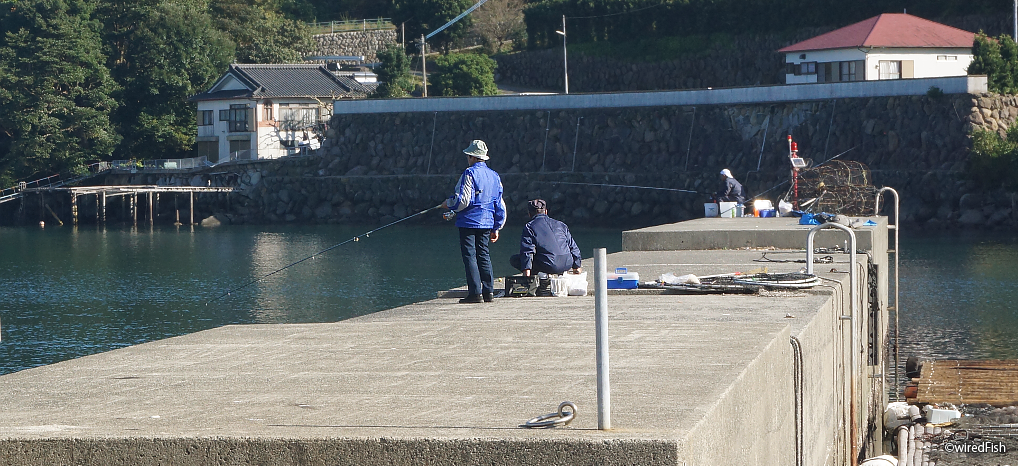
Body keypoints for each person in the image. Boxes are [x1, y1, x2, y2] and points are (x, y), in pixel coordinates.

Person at [445, 140, 506, 304]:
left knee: (470, 256)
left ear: (472, 157)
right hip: (487, 221)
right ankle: (489, 291)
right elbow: (500, 204)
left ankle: (475, 293)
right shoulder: (495, 176)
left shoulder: (469, 173)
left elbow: (463, 200)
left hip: (469, 221)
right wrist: (497, 226)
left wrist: (449, 204)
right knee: (484, 254)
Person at [510, 199, 582, 279]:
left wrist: (526, 274)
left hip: (549, 265)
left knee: (515, 259)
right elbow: (573, 247)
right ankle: (557, 274)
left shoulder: (529, 227)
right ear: (546, 211)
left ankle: (541, 279)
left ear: (529, 214)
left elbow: (527, 251)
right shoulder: (561, 225)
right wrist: (577, 267)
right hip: (567, 263)